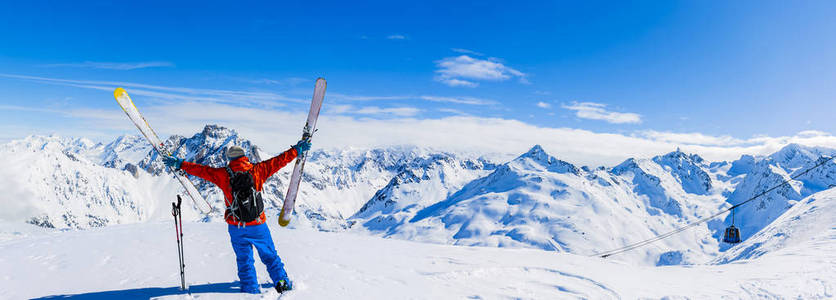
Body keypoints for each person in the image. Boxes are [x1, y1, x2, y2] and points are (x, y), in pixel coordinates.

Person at [162, 139, 311, 294]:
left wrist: (180, 164)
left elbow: (201, 170)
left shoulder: (222, 175)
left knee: (244, 261)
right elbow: (279, 161)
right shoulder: (258, 170)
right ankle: (282, 283)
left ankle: (250, 290)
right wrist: (296, 150)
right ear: (244, 156)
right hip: (258, 225)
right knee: (270, 256)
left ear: (230, 159)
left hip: (236, 226)